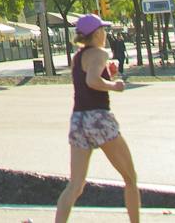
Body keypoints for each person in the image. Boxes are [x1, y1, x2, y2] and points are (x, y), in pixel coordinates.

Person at [54, 13, 140, 223]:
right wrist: (115, 85)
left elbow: (85, 80)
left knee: (75, 185)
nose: (106, 34)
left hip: (78, 120)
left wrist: (106, 73)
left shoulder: (77, 57)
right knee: (130, 178)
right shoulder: (100, 53)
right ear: (97, 33)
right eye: (104, 30)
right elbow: (92, 81)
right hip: (98, 118)